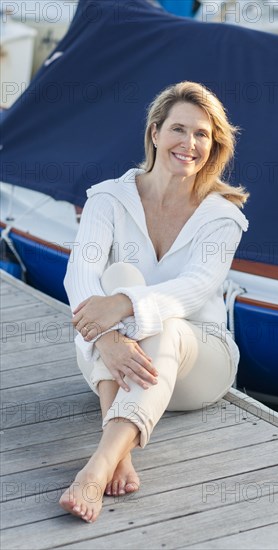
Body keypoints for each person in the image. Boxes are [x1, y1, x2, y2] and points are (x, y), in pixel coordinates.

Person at [59, 81, 249, 522]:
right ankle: (117, 452)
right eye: (179, 129)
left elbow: (196, 288)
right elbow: (80, 274)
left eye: (203, 135)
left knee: (159, 318)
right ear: (155, 133)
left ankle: (97, 466)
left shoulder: (222, 216)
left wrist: (122, 306)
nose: (189, 143)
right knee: (118, 274)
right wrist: (105, 334)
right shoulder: (108, 198)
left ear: (214, 145)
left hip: (198, 363)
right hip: (115, 359)